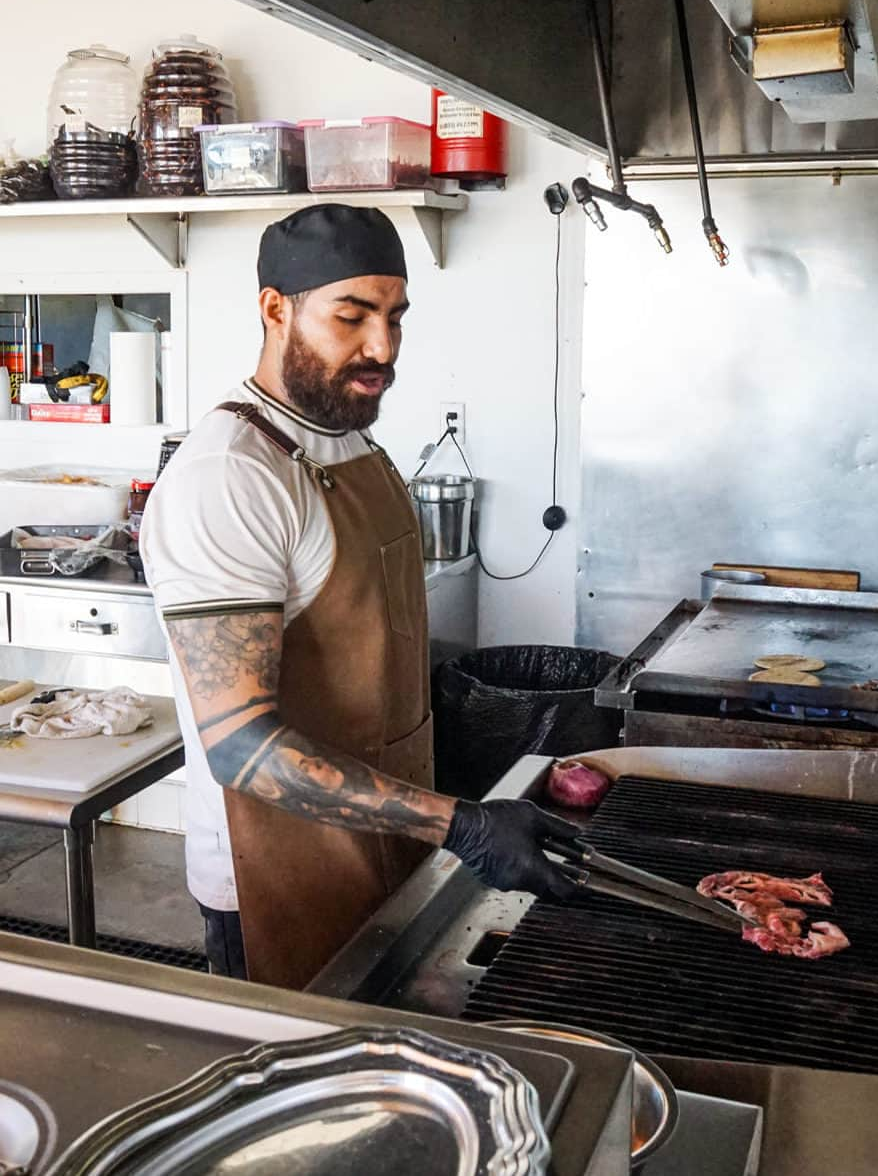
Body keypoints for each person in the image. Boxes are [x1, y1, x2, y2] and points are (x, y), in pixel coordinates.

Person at [141, 204, 576, 988]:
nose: (382, 348)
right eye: (352, 316)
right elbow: (239, 746)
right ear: (275, 309)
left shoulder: (348, 440)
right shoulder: (231, 476)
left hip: (388, 840)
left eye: (395, 318)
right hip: (279, 869)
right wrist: (461, 823)